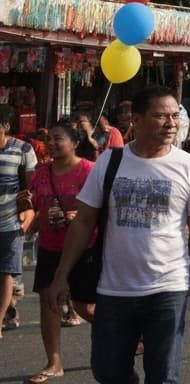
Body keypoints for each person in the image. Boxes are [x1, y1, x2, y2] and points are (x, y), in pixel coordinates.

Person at [43, 85, 190, 384]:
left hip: (168, 288)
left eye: (175, 116)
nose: (171, 124)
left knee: (163, 376)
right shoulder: (110, 163)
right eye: (161, 116)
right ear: (135, 120)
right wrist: (61, 276)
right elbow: (84, 222)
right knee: (108, 371)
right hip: (114, 290)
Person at [24, 122, 96, 382]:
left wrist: (83, 215)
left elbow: (104, 209)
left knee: (83, 306)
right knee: (48, 301)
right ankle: (53, 361)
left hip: (83, 247)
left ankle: (123, 334)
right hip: (49, 247)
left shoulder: (89, 171)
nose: (52, 144)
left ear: (75, 143)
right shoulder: (42, 172)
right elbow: (36, 202)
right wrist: (29, 218)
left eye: (58, 139)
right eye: (49, 139)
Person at [0, 103, 37, 341]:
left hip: (10, 223)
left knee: (5, 272)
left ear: (5, 126)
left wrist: (29, 212)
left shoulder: (23, 149)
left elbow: (32, 186)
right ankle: (10, 305)